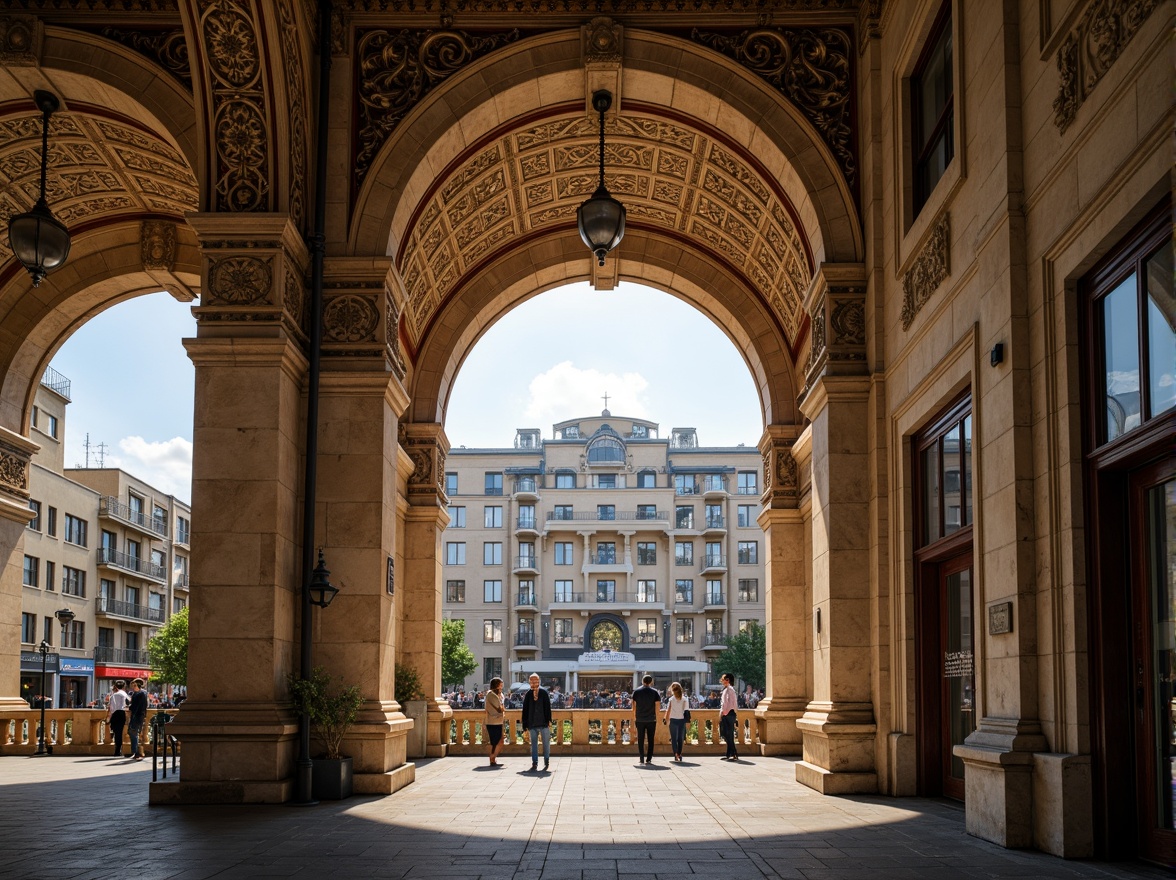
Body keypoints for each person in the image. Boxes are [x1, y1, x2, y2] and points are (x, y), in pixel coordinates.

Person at [520, 673, 551, 772]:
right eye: (531, 681)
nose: (534, 682)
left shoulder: (544, 693)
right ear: (529, 682)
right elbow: (525, 710)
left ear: (539, 681)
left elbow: (548, 708)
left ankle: (546, 760)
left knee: (546, 743)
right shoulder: (528, 694)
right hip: (532, 723)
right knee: (533, 745)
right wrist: (525, 725)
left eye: (535, 680)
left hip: (543, 723)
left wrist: (549, 720)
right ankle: (534, 762)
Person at [631, 674, 660, 765]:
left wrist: (634, 716)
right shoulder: (655, 692)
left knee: (640, 739)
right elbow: (657, 707)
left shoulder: (636, 692)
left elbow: (633, 707)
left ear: (643, 681)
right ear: (651, 682)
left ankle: (641, 758)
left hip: (640, 718)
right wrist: (657, 717)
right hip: (651, 719)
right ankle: (649, 758)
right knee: (651, 739)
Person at [663, 682, 688, 762]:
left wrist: (665, 719)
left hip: (673, 719)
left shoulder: (671, 699)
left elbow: (668, 710)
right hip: (681, 720)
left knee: (674, 738)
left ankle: (675, 754)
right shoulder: (684, 699)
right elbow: (686, 710)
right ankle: (679, 754)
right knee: (680, 738)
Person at [485, 677, 506, 766]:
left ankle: (493, 757)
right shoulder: (492, 695)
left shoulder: (495, 695)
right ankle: (492, 757)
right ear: (496, 685)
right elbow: (500, 708)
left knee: (498, 741)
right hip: (493, 722)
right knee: (497, 741)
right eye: (500, 685)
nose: (502, 687)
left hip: (497, 721)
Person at [127, 678, 149, 761]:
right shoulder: (139, 693)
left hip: (137, 716)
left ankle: (136, 752)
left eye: (134, 685)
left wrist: (131, 709)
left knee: (133, 732)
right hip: (136, 716)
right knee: (132, 733)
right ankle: (135, 752)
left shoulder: (141, 693)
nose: (133, 687)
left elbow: (140, 706)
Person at [719, 672, 739, 761]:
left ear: (727, 680)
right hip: (730, 713)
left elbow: (726, 704)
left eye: (723, 679)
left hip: (728, 714)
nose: (722, 681)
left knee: (728, 734)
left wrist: (722, 713)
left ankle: (733, 753)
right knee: (728, 734)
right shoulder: (729, 689)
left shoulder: (729, 690)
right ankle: (730, 753)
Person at [107, 680, 129, 758]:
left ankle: (117, 749)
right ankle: (118, 750)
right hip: (121, 713)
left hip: (115, 714)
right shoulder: (124, 695)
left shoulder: (113, 695)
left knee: (116, 732)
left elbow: (111, 707)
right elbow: (127, 704)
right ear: (124, 686)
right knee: (120, 732)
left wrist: (109, 716)